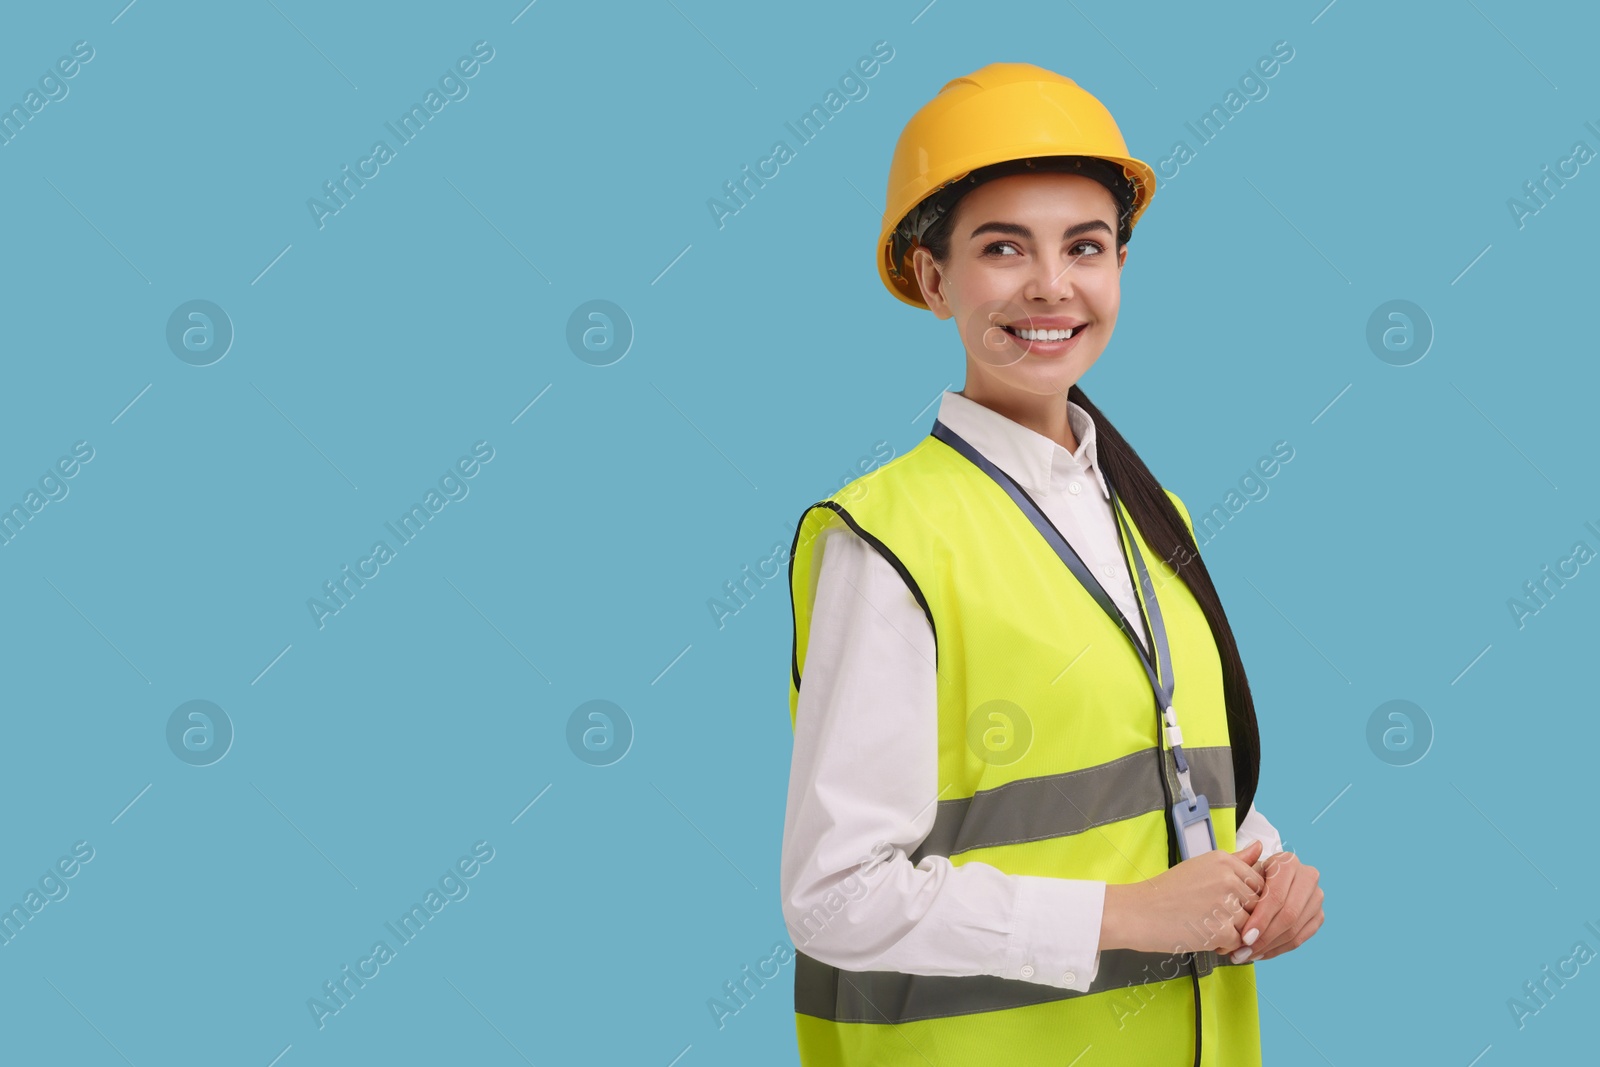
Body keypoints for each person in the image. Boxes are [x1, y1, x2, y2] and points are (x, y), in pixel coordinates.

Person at [780, 63, 1324, 1066]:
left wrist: (1265, 863)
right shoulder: (887, 539)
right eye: (1001, 248)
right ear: (933, 278)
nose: (1050, 284)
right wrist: (1120, 913)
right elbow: (835, 893)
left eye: (1085, 246)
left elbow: (1154, 779)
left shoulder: (1153, 516)